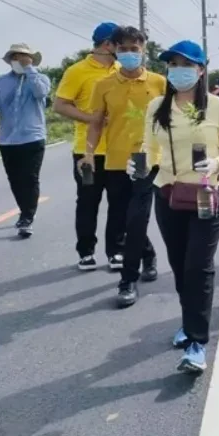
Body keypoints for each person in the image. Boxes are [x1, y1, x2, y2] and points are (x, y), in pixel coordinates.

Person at [131, 39, 219, 374]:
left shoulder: (218, 106)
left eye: (187, 65)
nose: (179, 71)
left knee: (198, 266)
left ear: (201, 70)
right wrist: (139, 164)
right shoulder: (157, 106)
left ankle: (197, 343)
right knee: (179, 264)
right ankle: (188, 320)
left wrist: (217, 162)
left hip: (208, 193)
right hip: (168, 193)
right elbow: (150, 147)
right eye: (173, 65)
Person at [83, 27, 167, 307]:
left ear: (144, 50)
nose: (129, 53)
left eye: (135, 48)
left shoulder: (159, 83)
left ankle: (127, 281)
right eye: (124, 49)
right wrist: (88, 153)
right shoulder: (104, 85)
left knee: (137, 218)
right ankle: (148, 254)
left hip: (146, 160)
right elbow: (96, 123)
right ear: (114, 50)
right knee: (123, 218)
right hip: (116, 160)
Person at [54, 22, 120, 270]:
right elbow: (60, 105)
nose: (124, 49)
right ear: (107, 44)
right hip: (88, 152)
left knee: (118, 203)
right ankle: (86, 252)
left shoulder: (122, 70)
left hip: (118, 150)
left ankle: (116, 251)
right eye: (119, 43)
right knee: (88, 203)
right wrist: (90, 118)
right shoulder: (77, 71)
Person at [0, 43, 51, 238]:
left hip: (33, 137)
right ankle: (25, 209)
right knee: (15, 180)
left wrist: (29, 70)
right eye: (15, 57)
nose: (18, 60)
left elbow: (41, 93)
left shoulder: (41, 79)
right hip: (8, 139)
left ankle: (27, 217)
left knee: (30, 178)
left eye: (23, 57)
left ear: (31, 60)